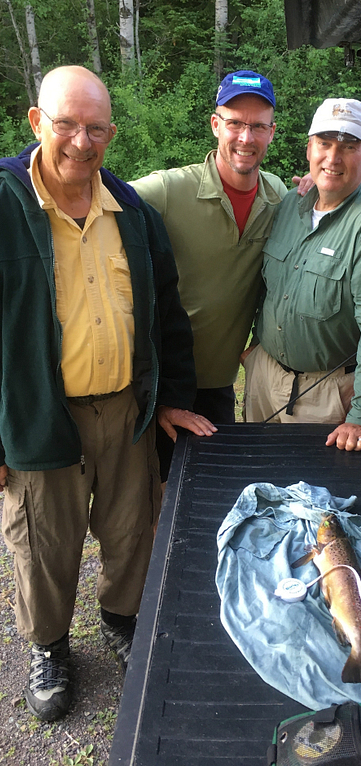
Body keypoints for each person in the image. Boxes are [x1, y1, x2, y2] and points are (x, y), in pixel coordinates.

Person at [0, 65, 215, 722]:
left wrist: (174, 397)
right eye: (66, 124)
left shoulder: (132, 213)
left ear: (111, 134)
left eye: (96, 128)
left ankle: (122, 623)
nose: (81, 141)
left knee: (131, 534)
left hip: (125, 411)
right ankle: (49, 646)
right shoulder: (5, 205)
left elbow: (167, 316)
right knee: (43, 542)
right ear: (37, 123)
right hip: (38, 414)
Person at [130, 71, 310, 462]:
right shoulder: (169, 189)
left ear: (272, 132)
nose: (246, 138)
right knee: (154, 499)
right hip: (158, 381)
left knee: (210, 491)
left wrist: (322, 184)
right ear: (216, 125)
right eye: (235, 123)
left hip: (219, 383)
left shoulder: (279, 197)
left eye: (257, 126)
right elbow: (99, 192)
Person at [243, 97, 361, 451]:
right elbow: (267, 287)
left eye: (348, 147)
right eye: (325, 144)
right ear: (309, 148)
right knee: (254, 482)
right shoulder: (290, 204)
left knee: (308, 503)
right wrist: (255, 349)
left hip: (323, 396)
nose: (333, 158)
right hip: (264, 378)